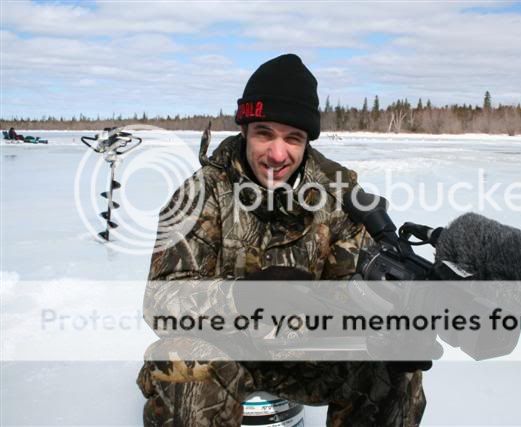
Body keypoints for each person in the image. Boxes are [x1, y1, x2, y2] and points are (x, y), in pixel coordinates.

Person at [137, 54, 426, 426]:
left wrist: (391, 328)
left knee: (392, 368)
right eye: (264, 133)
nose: (277, 154)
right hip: (223, 348)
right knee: (181, 366)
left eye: (293, 138)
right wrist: (242, 297)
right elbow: (160, 303)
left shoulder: (338, 197)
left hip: (306, 351)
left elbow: (353, 290)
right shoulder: (200, 194)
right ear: (245, 130)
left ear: (307, 141)